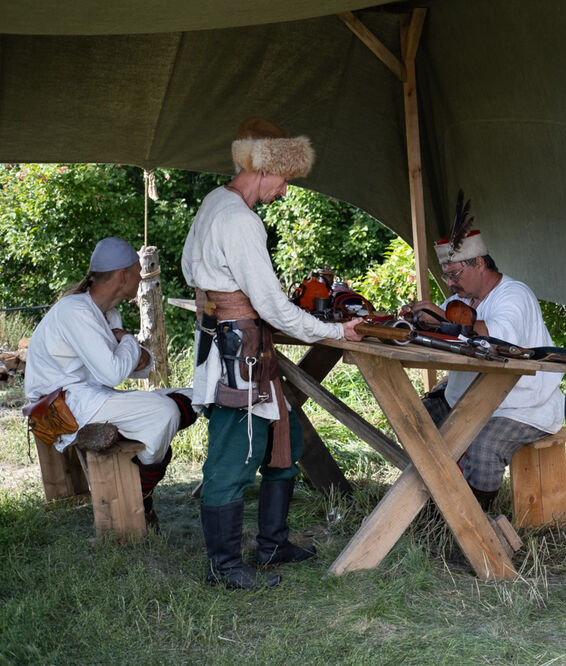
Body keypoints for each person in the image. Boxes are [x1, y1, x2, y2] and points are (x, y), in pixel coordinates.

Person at [181, 117, 362, 590]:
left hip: (242, 348)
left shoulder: (213, 202)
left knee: (286, 439)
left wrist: (221, 299)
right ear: (262, 169)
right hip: (238, 355)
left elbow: (187, 267)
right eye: (284, 180)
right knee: (233, 455)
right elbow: (275, 309)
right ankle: (224, 567)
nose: (284, 191)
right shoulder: (240, 219)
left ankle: (273, 543)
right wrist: (337, 329)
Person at [24, 237, 195, 529]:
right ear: (123, 275)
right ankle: (140, 493)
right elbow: (114, 372)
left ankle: (141, 487)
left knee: (192, 397)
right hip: (63, 408)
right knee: (164, 412)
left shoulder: (108, 314)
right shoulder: (74, 311)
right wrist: (128, 341)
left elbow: (140, 366)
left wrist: (131, 351)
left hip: (92, 397)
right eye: (137, 272)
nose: (140, 278)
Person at [409, 196, 564, 511]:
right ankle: (433, 499)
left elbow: (498, 335)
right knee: (416, 421)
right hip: (470, 400)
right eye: (446, 276)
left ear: (478, 263)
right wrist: (419, 319)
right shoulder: (463, 300)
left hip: (522, 405)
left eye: (455, 275)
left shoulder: (514, 294)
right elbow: (450, 326)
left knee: (484, 446)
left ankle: (472, 520)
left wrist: (442, 320)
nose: (450, 283)